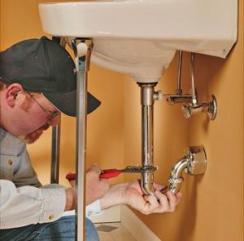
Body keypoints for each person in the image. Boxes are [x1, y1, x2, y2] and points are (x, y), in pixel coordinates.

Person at [0, 37, 181, 241]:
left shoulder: (11, 138)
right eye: (51, 112)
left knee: (74, 230)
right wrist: (73, 197)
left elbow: (31, 203)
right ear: (14, 95)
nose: (54, 123)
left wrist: (119, 194)